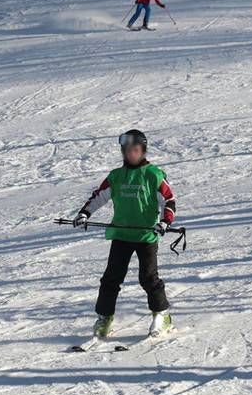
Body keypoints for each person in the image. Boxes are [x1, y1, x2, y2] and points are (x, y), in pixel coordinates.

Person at [73, 129, 177, 342]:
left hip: (146, 236)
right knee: (111, 278)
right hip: (121, 234)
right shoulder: (116, 176)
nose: (131, 154)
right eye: (127, 150)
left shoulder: (153, 174)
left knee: (148, 278)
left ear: (143, 151)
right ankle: (105, 317)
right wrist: (84, 213)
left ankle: (162, 315)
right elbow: (99, 197)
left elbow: (169, 201)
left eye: (135, 150)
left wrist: (165, 222)